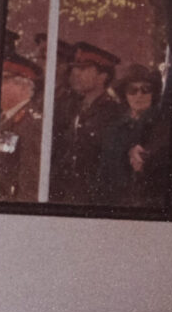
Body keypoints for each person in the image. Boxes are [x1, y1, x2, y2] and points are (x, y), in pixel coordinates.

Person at [50, 43, 122, 203]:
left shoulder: (113, 112)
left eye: (83, 70)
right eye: (76, 69)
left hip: (95, 201)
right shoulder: (73, 107)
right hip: (69, 196)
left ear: (102, 76)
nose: (76, 74)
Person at [97, 63, 167, 206]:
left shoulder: (163, 126)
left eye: (146, 89)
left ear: (154, 93)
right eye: (132, 90)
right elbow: (106, 172)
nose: (139, 95)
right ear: (125, 94)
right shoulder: (114, 129)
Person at [0, 55, 43, 202]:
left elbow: (30, 182)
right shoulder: (3, 118)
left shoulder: (31, 123)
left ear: (23, 86)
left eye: (3, 80)